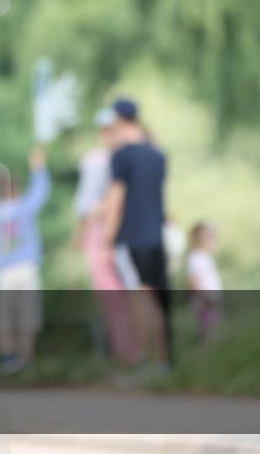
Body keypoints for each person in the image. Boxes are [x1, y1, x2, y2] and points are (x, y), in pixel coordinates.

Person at [103, 97, 172, 378]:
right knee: (157, 299)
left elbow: (116, 200)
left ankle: (145, 364)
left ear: (118, 120)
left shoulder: (121, 156)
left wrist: (108, 239)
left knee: (139, 299)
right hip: (156, 236)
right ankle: (163, 362)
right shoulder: (158, 154)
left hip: (132, 237)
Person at [72, 109, 139, 365]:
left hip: (116, 231)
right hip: (102, 231)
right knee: (114, 298)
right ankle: (125, 354)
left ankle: (133, 354)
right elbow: (87, 201)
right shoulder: (97, 160)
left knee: (127, 295)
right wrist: (84, 230)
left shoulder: (120, 158)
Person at [0, 146, 50, 374]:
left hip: (3, 270)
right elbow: (41, 191)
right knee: (28, 315)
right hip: (26, 267)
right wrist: (39, 167)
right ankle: (25, 358)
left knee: (3, 316)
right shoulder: (24, 207)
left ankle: (8, 357)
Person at [187, 221, 223, 345]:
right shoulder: (195, 258)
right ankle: (205, 353)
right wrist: (205, 298)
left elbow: (215, 239)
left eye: (209, 236)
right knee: (209, 334)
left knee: (214, 330)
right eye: (205, 237)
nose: (209, 239)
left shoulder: (205, 255)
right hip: (205, 302)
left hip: (211, 300)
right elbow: (193, 283)